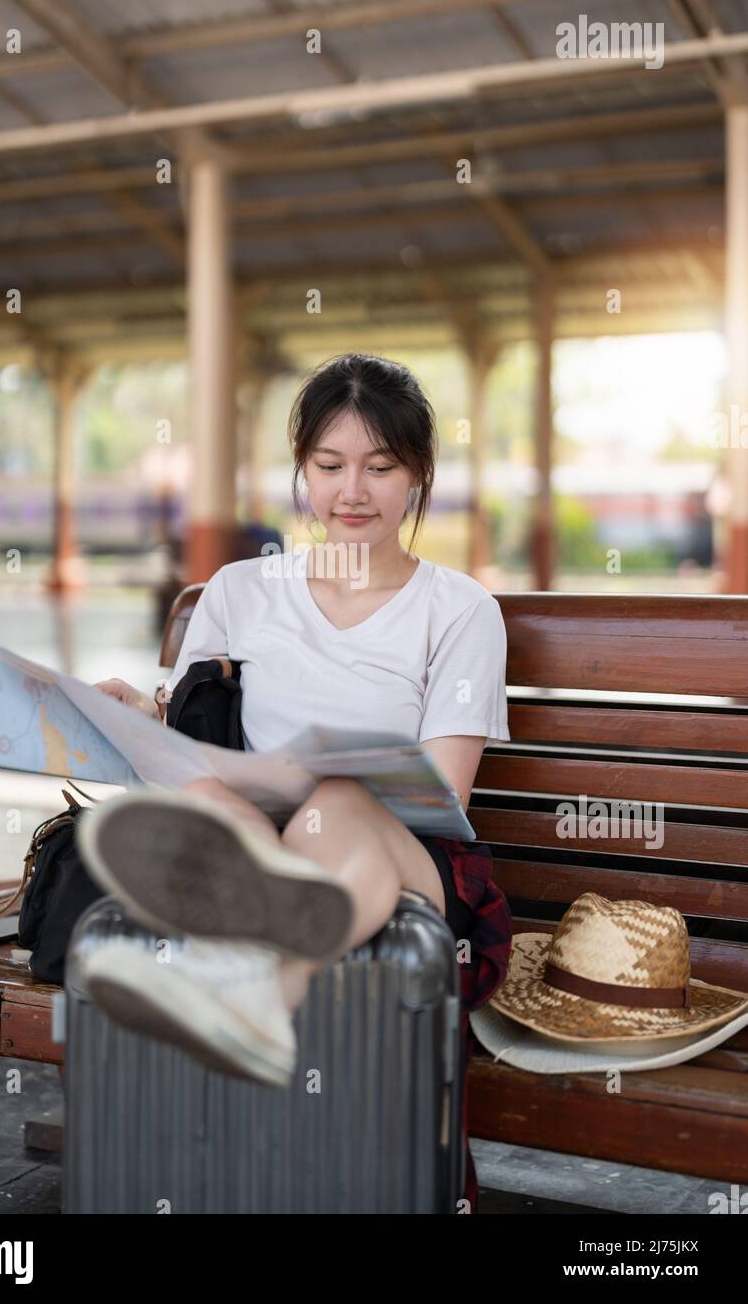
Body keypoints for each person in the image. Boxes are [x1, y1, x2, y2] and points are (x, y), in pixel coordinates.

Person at [79, 352, 513, 1212]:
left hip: (401, 858)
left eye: (381, 468)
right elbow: (198, 743)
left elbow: (447, 800)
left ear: (419, 474)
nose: (354, 490)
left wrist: (322, 786)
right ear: (302, 472)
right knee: (207, 800)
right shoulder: (241, 592)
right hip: (257, 844)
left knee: (338, 801)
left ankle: (249, 998)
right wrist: (140, 715)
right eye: (330, 466)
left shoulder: (460, 611)